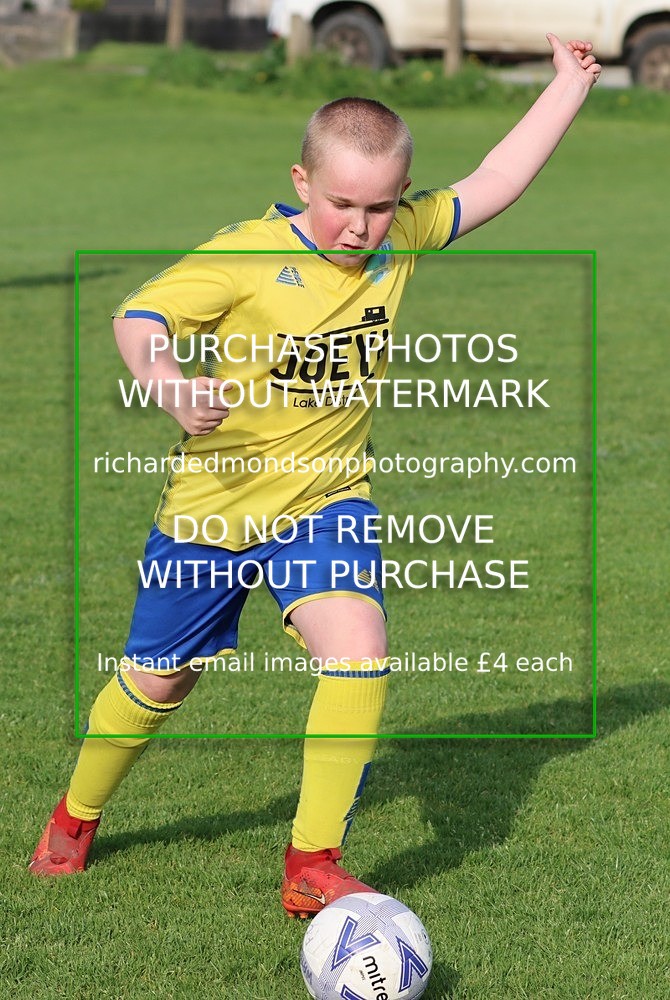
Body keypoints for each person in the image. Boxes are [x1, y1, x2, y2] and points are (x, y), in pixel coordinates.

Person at [30, 35, 600, 915]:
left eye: (379, 207)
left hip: (325, 502)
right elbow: (139, 314)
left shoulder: (397, 237)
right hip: (212, 511)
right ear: (302, 183)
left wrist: (566, 85)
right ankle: (75, 815)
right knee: (159, 682)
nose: (359, 227)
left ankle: (312, 862)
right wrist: (170, 384)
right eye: (341, 204)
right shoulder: (247, 253)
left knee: (361, 655)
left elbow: (496, 179)